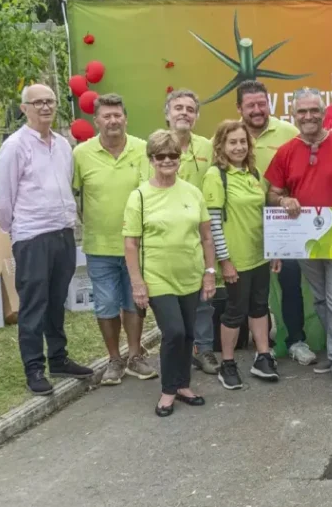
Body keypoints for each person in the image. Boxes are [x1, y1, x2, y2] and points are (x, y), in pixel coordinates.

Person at [265, 87, 332, 391]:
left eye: (314, 111)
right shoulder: (286, 151)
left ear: (323, 114)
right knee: (322, 299)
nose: (309, 116)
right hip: (305, 242)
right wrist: (284, 201)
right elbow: (273, 192)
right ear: (294, 115)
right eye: (302, 112)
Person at [0, 84, 94, 396]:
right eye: (37, 103)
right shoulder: (15, 147)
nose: (45, 107)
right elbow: (3, 199)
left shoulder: (63, 145)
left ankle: (59, 358)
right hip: (32, 236)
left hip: (62, 232)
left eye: (49, 101)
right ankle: (34, 368)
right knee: (34, 304)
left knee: (56, 300)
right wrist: (19, 230)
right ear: (24, 108)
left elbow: (65, 185)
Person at [123, 130, 217, 417]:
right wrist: (137, 283)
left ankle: (184, 385)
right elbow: (131, 243)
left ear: (180, 158)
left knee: (189, 333)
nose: (167, 160)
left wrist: (209, 272)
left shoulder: (193, 192)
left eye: (173, 155)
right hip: (157, 278)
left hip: (191, 273)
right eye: (160, 156)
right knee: (174, 332)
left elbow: (206, 237)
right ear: (151, 159)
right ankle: (168, 390)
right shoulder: (139, 196)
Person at [72, 93, 157, 386]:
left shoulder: (142, 149)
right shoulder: (81, 154)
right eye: (106, 116)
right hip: (99, 245)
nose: (113, 121)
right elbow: (73, 194)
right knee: (106, 304)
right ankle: (114, 359)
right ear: (96, 121)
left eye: (117, 115)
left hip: (137, 243)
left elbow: (152, 192)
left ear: (125, 118)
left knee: (135, 299)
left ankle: (135, 355)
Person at [235, 80, 315, 367]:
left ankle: (296, 340)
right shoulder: (233, 135)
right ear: (239, 109)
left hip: (284, 221)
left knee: (289, 278)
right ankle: (258, 346)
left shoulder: (288, 132)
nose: (257, 110)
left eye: (262, 104)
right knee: (249, 286)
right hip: (244, 224)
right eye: (250, 105)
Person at [202, 120, 278, 389]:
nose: (238, 147)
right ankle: (228, 363)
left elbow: (263, 217)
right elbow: (212, 223)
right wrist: (225, 261)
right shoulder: (215, 175)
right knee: (234, 312)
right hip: (236, 259)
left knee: (259, 307)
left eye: (243, 142)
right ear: (221, 145)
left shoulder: (253, 174)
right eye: (232, 142)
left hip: (260, 256)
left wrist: (274, 250)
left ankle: (263, 356)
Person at [160, 89, 220, 376]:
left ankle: (205, 348)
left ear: (196, 116)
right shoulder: (155, 145)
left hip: (200, 233)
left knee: (204, 296)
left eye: (190, 109)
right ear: (167, 113)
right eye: (178, 108)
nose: (184, 113)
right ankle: (179, 348)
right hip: (165, 236)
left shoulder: (208, 148)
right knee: (170, 296)